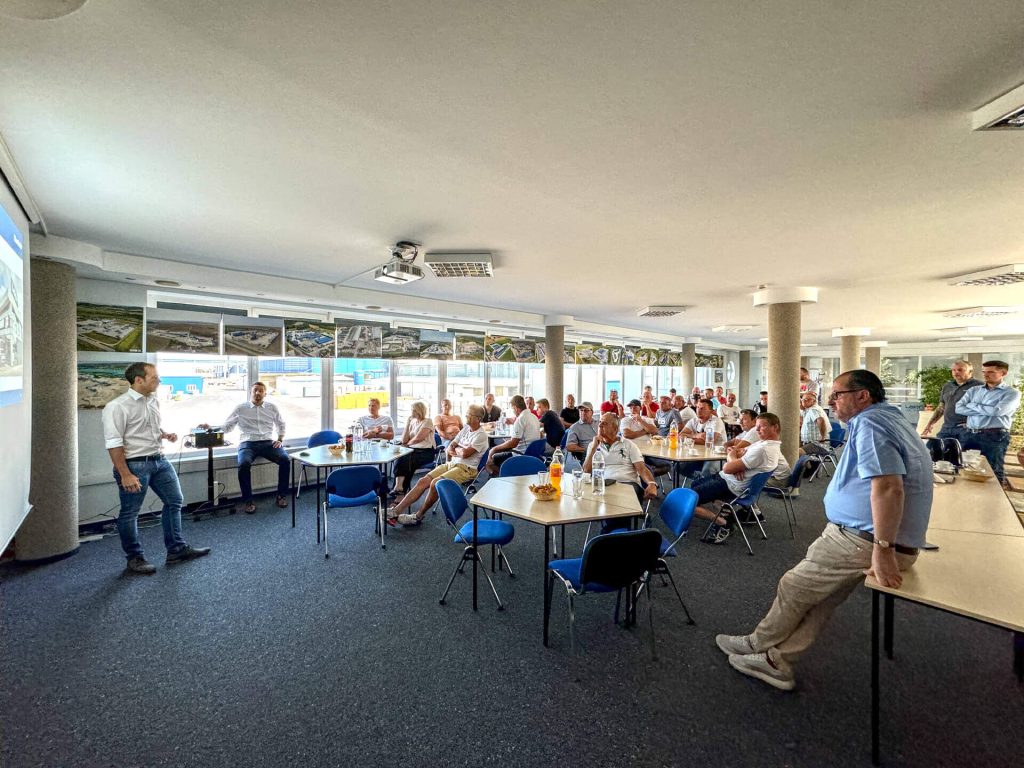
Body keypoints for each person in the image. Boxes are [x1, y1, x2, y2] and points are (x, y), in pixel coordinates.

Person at [715, 370, 932, 691]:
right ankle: (778, 660)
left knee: (794, 586)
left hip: (863, 539)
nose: (830, 402)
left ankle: (757, 643)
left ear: (863, 396)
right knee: (821, 600)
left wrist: (883, 549)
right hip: (875, 539)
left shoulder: (871, 425)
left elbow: (889, 487)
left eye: (837, 395)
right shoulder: (890, 418)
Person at [102, 362, 210, 574]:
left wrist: (164, 434)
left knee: (175, 501)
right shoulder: (117, 407)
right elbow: (114, 443)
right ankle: (135, 558)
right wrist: (125, 474)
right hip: (135, 464)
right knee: (130, 512)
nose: (159, 381)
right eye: (154, 378)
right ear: (138, 380)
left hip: (159, 460)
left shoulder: (152, 401)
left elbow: (145, 426)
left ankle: (176, 550)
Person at [690, 412, 785, 544]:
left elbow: (728, 465)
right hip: (728, 479)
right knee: (694, 485)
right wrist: (736, 461)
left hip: (730, 485)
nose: (756, 430)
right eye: (756, 426)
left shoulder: (763, 449)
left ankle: (722, 522)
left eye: (761, 427)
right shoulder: (765, 444)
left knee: (688, 500)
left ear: (774, 427)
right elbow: (735, 451)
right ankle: (725, 512)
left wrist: (734, 461)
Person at [388, 405, 489, 527]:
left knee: (435, 483)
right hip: (452, 464)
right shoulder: (466, 428)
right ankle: (395, 511)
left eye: (469, 414)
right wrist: (457, 449)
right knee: (422, 481)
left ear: (478, 419)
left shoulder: (481, 435)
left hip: (467, 469)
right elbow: (452, 445)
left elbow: (465, 454)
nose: (466, 416)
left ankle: (417, 516)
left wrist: (457, 449)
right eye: (467, 413)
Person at [202, 380, 289, 514]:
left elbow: (281, 424)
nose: (257, 393)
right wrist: (211, 428)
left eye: (260, 391)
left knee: (285, 459)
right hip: (248, 443)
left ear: (265, 393)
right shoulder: (241, 408)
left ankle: (281, 496)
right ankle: (248, 501)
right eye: (255, 390)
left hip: (267, 442)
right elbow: (228, 426)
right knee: (243, 464)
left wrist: (280, 439)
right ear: (250, 392)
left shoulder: (272, 407)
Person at [955, 360, 1021, 486]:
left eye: (991, 372)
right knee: (966, 468)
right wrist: (986, 409)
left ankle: (996, 503)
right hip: (969, 434)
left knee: (993, 470)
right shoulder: (974, 390)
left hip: (995, 436)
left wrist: (972, 405)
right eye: (984, 372)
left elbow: (997, 412)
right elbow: (959, 408)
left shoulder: (1012, 393)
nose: (985, 375)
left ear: (1004, 373)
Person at [583, 413, 660, 516]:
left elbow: (642, 469)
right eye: (600, 422)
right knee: (608, 503)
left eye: (604, 423)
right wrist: (594, 448)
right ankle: (616, 527)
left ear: (615, 428)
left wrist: (651, 483)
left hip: (627, 484)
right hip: (603, 485)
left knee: (617, 505)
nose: (600, 425)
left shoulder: (629, 445)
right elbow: (586, 471)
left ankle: (614, 528)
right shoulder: (593, 446)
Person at [921, 360, 982, 444]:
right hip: (947, 428)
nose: (956, 372)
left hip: (967, 430)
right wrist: (930, 424)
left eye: (960, 370)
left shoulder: (979, 386)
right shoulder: (948, 386)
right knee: (935, 451)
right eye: (953, 370)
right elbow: (941, 407)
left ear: (970, 371)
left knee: (962, 455)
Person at [392, 401, 438, 498]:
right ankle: (399, 491)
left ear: (419, 411)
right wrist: (408, 423)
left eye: (413, 410)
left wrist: (406, 445)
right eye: (411, 410)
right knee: (407, 463)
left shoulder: (427, 421)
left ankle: (398, 491)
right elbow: (404, 440)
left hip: (426, 452)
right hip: (413, 451)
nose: (411, 412)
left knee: (406, 457)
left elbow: (418, 438)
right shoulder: (412, 422)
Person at [486, 395, 542, 473]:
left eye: (512, 408)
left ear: (516, 408)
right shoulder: (534, 417)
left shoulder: (520, 419)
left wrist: (494, 449)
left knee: (490, 459)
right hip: (532, 453)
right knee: (501, 448)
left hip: (521, 455)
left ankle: (506, 476)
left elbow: (513, 443)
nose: (513, 411)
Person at [799, 392, 829, 456]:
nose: (804, 401)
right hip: (811, 443)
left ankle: (808, 464)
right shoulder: (809, 410)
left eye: (808, 399)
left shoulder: (814, 410)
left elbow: (821, 420)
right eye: (803, 400)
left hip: (817, 444)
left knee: (796, 453)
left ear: (814, 401)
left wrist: (823, 437)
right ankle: (808, 464)